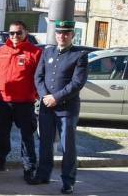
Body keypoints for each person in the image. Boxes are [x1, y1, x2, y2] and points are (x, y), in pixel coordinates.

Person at [29, 20, 88, 195]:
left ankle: (68, 181)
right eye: (59, 33)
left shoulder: (79, 55)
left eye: (66, 33)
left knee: (67, 146)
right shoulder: (47, 52)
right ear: (55, 35)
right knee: (45, 143)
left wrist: (56, 97)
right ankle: (43, 174)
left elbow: (77, 83)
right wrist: (45, 97)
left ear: (72, 35)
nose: (62, 36)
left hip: (66, 109)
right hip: (47, 107)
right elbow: (38, 76)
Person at [0, 21, 42, 181]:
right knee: (1, 133)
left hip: (24, 102)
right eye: (12, 33)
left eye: (19, 32)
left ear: (26, 32)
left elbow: (39, 77)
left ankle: (29, 168)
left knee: (26, 137)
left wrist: (36, 95)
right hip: (4, 100)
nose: (15, 36)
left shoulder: (35, 52)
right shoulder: (2, 50)